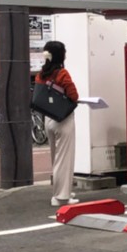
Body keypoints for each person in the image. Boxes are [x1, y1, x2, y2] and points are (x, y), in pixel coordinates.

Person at [36, 40, 78, 207]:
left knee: (56, 158)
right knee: (64, 159)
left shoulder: (41, 74)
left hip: (49, 118)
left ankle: (62, 191)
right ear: (61, 55)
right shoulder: (62, 73)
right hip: (63, 119)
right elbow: (73, 95)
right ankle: (61, 197)